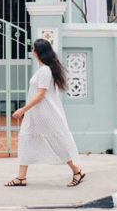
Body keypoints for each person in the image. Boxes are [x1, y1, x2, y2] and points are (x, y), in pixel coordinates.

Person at [5, 38, 85, 187]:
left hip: (44, 114)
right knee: (25, 140)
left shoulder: (45, 70)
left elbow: (41, 95)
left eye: (33, 48)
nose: (31, 50)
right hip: (34, 114)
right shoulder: (42, 69)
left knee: (56, 143)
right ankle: (21, 177)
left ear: (38, 52)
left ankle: (76, 171)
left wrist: (23, 109)